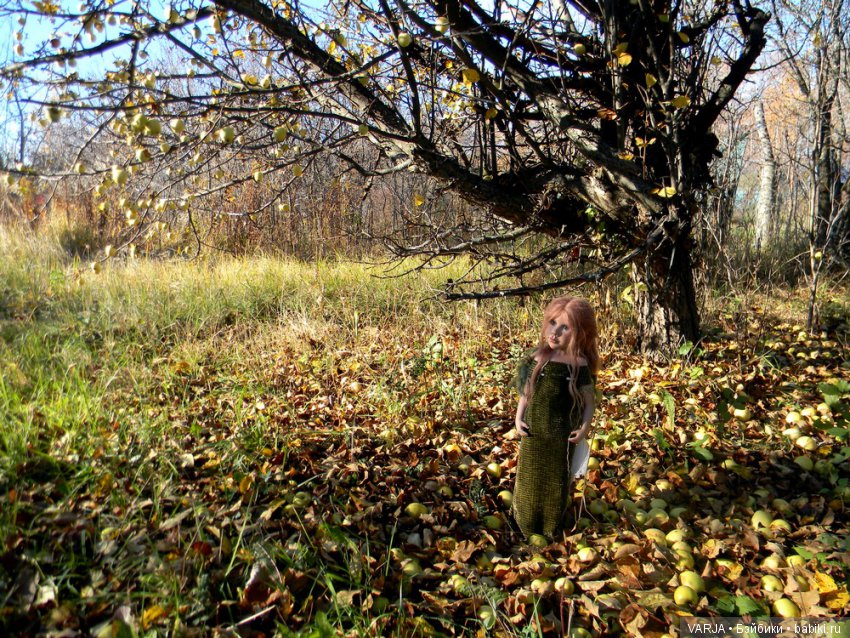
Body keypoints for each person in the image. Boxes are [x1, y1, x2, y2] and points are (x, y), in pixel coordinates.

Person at [512, 296, 599, 540]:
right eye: (552, 323)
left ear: (580, 333)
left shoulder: (579, 365)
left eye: (564, 327)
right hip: (534, 432)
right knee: (528, 477)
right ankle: (523, 521)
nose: (555, 332)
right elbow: (526, 392)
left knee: (555, 480)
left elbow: (589, 402)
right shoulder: (538, 358)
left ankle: (550, 526)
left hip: (561, 437)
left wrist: (584, 427)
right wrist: (518, 418)